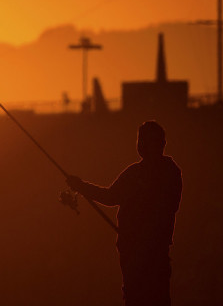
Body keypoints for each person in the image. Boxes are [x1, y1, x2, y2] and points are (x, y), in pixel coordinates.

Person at [66, 120, 182, 306]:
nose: (141, 145)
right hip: (150, 253)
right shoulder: (171, 172)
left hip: (141, 254)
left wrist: (80, 186)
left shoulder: (143, 174)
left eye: (143, 141)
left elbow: (110, 197)